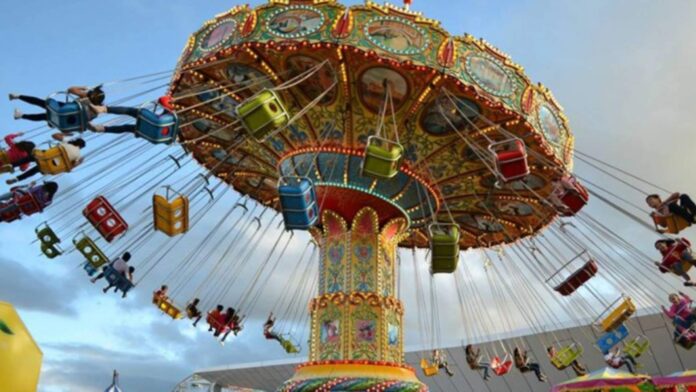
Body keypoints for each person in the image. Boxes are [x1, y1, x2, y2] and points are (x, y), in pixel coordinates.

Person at [10, 86, 105, 126]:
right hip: (66, 122)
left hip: (63, 109)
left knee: (41, 103)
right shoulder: (96, 111)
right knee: (45, 116)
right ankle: (21, 115)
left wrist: (83, 87)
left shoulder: (86, 98)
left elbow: (71, 89)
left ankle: (18, 97)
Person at [5, 138, 86, 184]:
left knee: (30, 157)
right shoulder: (78, 155)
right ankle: (16, 179)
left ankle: (12, 165)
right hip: (51, 167)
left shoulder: (66, 144)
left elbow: (55, 135)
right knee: (35, 170)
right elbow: (71, 167)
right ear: (81, 147)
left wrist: (67, 136)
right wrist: (79, 162)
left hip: (45, 157)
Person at [86, 96, 175, 135]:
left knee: (130, 111)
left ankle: (102, 109)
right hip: (152, 132)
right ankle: (100, 129)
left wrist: (171, 99)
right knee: (126, 128)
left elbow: (162, 99)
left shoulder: (172, 111)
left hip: (155, 123)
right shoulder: (172, 120)